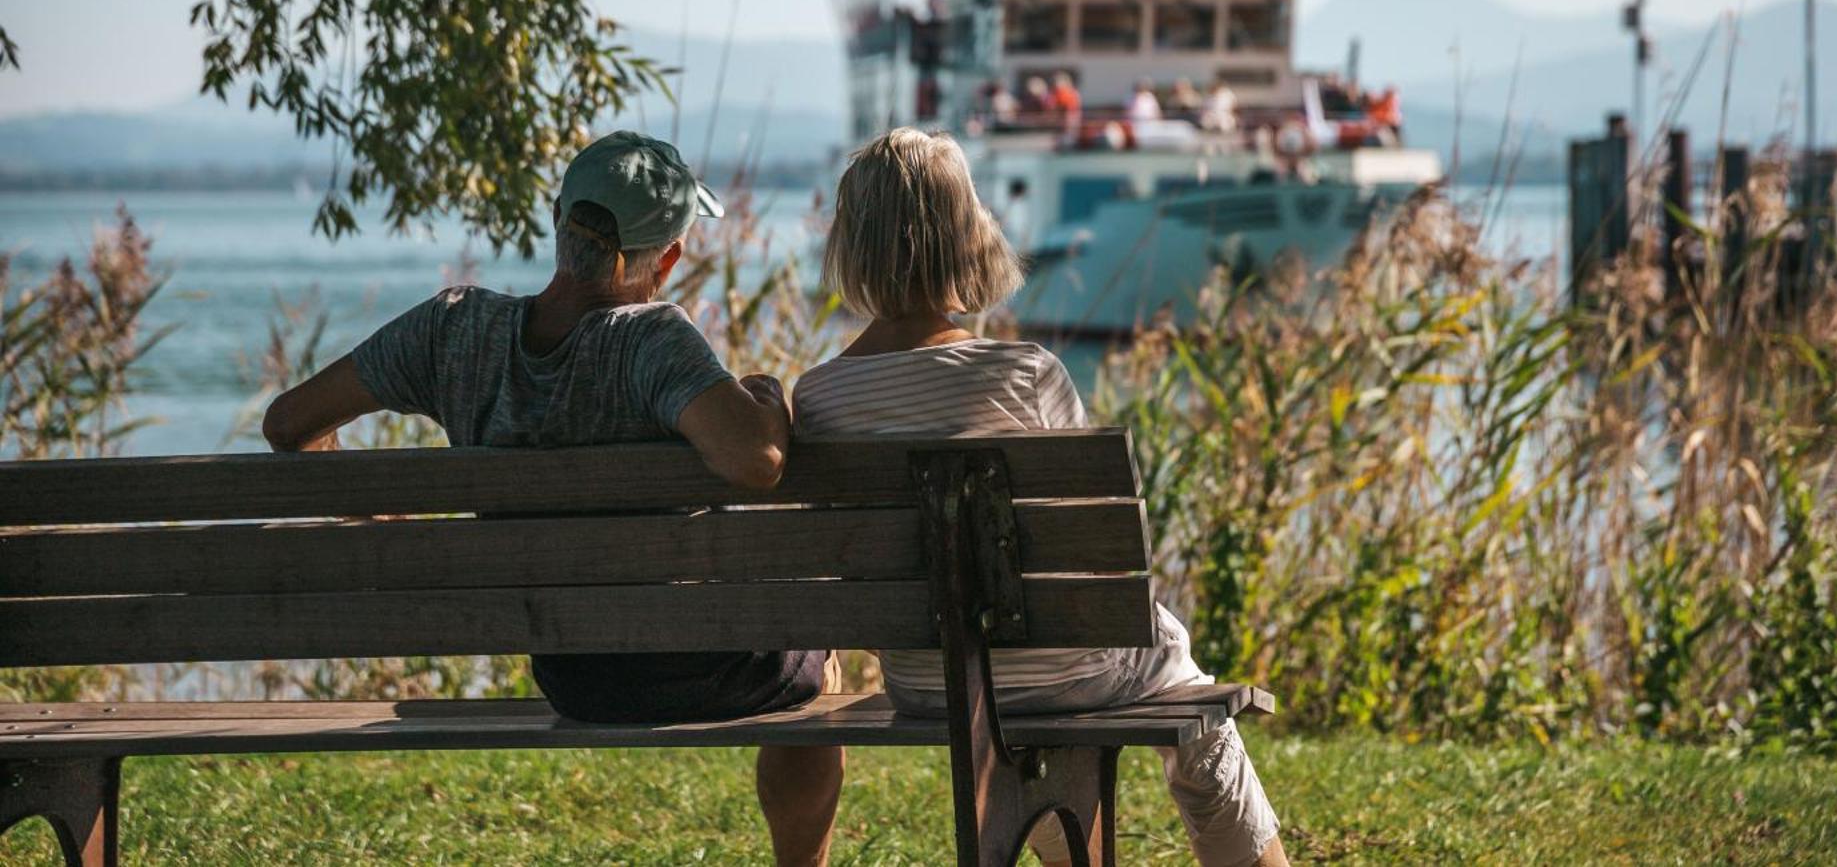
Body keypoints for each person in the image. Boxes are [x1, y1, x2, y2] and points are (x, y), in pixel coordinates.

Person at [260, 130, 844, 867]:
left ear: (558, 220)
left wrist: (371, 510)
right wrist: (764, 396)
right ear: (665, 257)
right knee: (823, 665)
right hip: (692, 661)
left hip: (573, 673)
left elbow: (288, 424)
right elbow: (756, 461)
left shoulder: (452, 327)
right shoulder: (653, 340)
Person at [792, 129, 1288, 867]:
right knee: (1185, 682)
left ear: (852, 245)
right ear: (966, 234)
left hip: (927, 681)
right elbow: (1082, 558)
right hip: (1067, 673)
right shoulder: (1026, 372)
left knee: (1053, 692)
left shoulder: (819, 396)